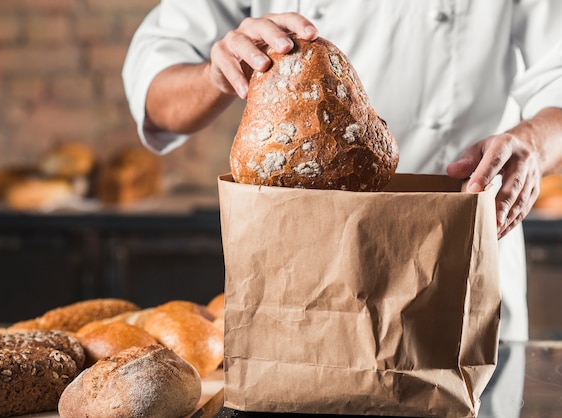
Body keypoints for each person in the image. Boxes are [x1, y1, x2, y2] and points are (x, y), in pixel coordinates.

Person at [122, 1, 562, 342]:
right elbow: (156, 95)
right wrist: (216, 77)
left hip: (453, 267)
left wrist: (533, 144)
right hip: (300, 278)